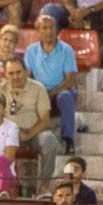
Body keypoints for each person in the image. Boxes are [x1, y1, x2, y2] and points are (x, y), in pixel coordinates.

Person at [0, 56, 57, 195]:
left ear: (26, 71)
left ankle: (43, 187)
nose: (15, 76)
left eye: (18, 72)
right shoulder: (0, 89)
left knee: (49, 140)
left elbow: (45, 120)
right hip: (8, 135)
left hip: (33, 133)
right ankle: (3, 188)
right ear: (5, 74)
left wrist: (28, 135)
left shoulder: (38, 88)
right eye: (11, 73)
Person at [23, 14, 78, 152]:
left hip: (60, 91)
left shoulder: (66, 50)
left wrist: (51, 93)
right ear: (39, 31)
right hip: (39, 92)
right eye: (44, 28)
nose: (49, 31)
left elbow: (70, 80)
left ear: (57, 29)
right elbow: (28, 77)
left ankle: (68, 140)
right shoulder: (31, 50)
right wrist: (38, 94)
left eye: (51, 27)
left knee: (65, 96)